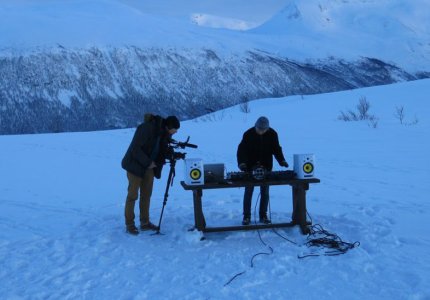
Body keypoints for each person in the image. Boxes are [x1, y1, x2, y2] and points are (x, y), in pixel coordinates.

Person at [121, 114, 180, 235]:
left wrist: (172, 155)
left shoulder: (163, 133)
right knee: (132, 195)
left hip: (149, 166)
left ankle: (145, 223)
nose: (173, 135)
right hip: (135, 165)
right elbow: (135, 149)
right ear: (168, 127)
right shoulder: (146, 128)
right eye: (173, 132)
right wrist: (148, 163)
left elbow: (160, 149)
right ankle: (130, 225)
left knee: (146, 195)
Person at [237, 116, 289, 225]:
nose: (261, 131)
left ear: (267, 129)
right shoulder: (248, 134)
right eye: (259, 129)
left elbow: (277, 149)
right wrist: (242, 163)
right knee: (248, 191)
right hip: (250, 167)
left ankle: (263, 215)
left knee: (265, 192)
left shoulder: (273, 134)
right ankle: (246, 216)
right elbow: (241, 150)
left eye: (263, 130)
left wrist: (282, 160)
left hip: (266, 167)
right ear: (255, 126)